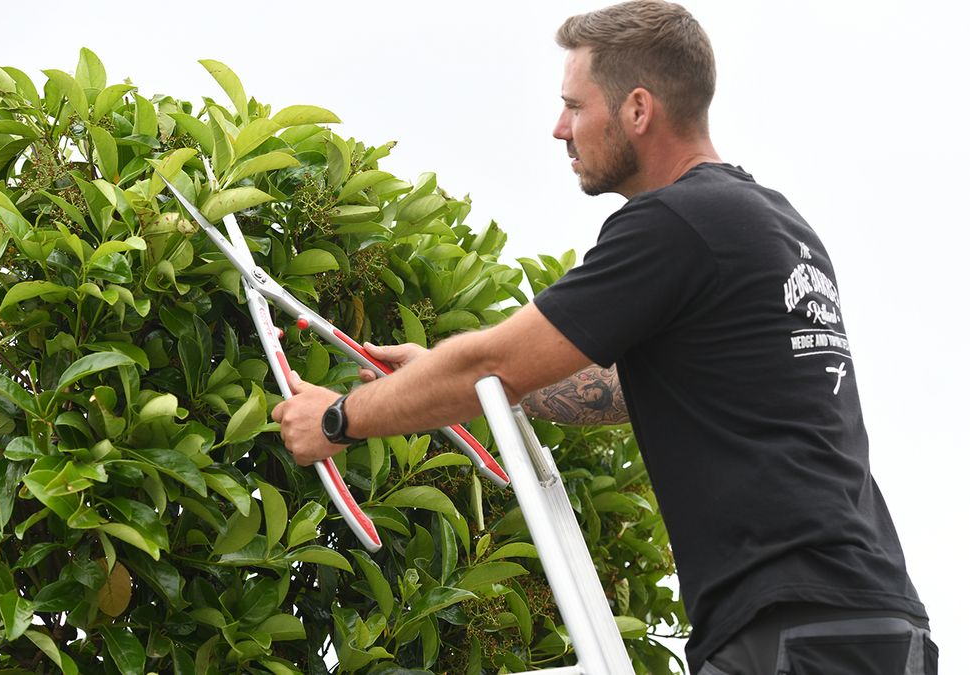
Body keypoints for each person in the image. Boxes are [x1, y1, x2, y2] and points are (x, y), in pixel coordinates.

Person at [272, 2, 935, 673]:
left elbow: (494, 357)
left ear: (638, 110)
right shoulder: (774, 224)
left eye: (574, 105)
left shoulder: (675, 222)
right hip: (875, 620)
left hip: (789, 624)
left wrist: (337, 419)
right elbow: (628, 384)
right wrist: (484, 391)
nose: (559, 129)